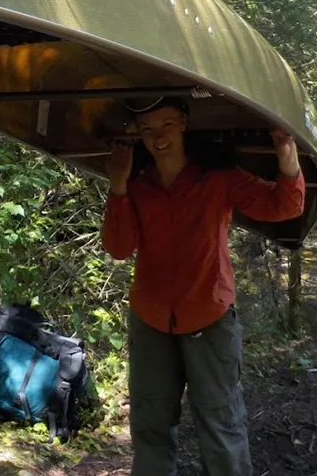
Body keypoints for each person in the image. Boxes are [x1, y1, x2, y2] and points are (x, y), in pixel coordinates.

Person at [102, 96, 305, 476]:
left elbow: (284, 206)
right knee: (150, 423)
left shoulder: (219, 178)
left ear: (183, 122)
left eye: (165, 125)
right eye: (147, 129)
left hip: (209, 317)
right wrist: (117, 184)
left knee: (221, 422)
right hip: (151, 319)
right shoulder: (137, 185)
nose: (157, 137)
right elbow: (118, 248)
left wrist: (287, 157)